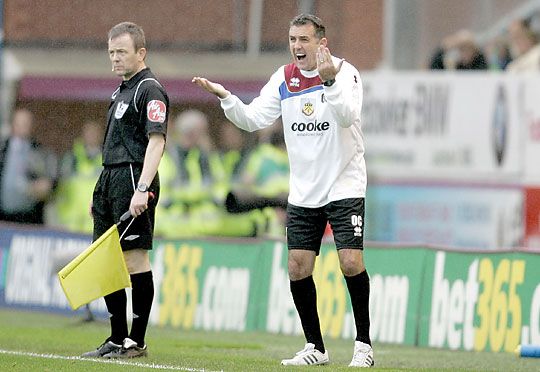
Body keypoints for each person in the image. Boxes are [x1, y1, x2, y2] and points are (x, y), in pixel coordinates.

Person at [193, 13, 373, 367]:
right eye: (292, 39)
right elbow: (253, 118)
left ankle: (364, 345)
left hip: (344, 183)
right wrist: (226, 97)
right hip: (305, 191)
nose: (296, 46)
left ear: (322, 43)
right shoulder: (284, 78)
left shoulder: (345, 72)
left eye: (304, 40)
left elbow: (346, 116)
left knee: (350, 262)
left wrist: (329, 82)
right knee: (297, 266)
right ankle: (315, 348)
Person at [81, 21, 168, 359]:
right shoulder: (121, 91)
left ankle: (137, 341)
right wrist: (98, 192)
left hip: (134, 178)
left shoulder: (150, 89)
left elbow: (156, 142)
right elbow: (113, 144)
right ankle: (116, 338)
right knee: (106, 261)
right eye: (111, 52)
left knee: (134, 259)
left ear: (140, 53)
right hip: (110, 178)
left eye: (121, 52)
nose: (115, 59)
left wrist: (142, 188)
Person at [0, 108, 57, 224]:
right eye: (19, 123)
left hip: (29, 217)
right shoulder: (2, 149)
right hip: (3, 216)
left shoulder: (41, 152)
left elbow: (51, 182)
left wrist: (42, 186)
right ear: (13, 125)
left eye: (26, 123)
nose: (23, 127)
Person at [55, 120, 104, 233]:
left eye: (94, 132)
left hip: (96, 223)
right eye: (88, 132)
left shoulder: (107, 159)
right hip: (71, 224)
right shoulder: (71, 158)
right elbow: (60, 189)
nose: (91, 136)